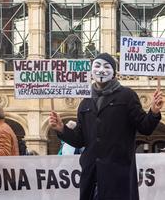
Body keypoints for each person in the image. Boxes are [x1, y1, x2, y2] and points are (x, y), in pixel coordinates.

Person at [49, 52, 163, 200]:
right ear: (91, 71)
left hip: (118, 175)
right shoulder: (86, 101)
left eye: (106, 66)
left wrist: (153, 112)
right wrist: (61, 129)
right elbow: (80, 139)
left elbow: (144, 127)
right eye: (97, 66)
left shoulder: (126, 96)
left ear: (114, 72)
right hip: (91, 174)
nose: (101, 70)